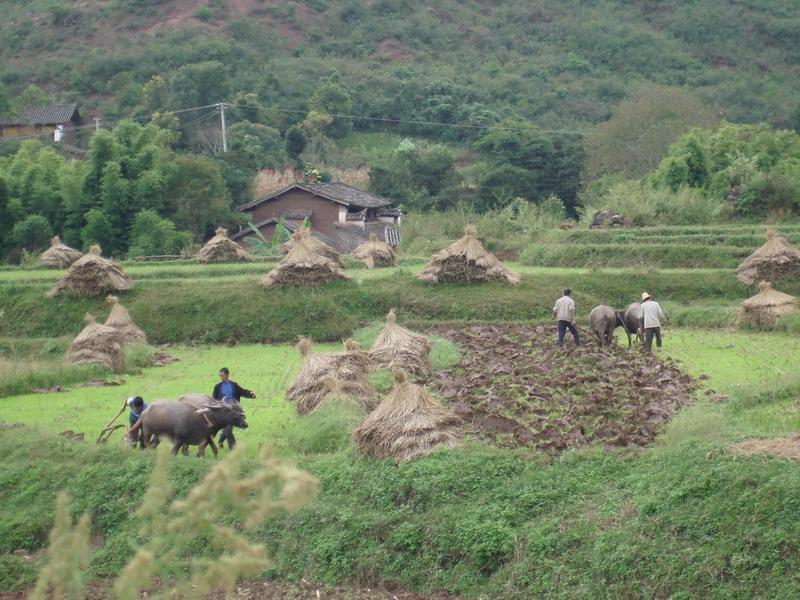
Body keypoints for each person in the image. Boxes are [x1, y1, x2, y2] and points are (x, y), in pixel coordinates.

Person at [212, 367, 256, 450]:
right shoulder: (217, 387)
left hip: (234, 410)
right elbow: (214, 399)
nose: (221, 377)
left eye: (222, 375)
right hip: (224, 411)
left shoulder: (234, 385)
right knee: (228, 428)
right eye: (220, 376)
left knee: (228, 427)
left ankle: (221, 441)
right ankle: (233, 450)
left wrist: (251, 394)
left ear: (227, 375)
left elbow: (242, 392)